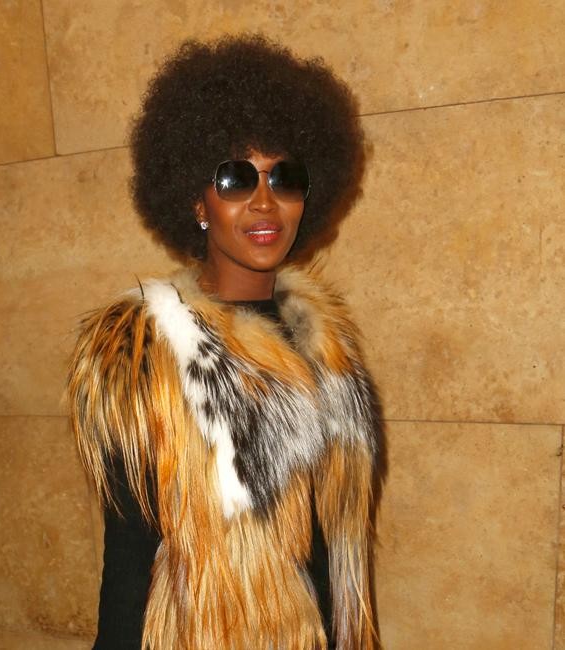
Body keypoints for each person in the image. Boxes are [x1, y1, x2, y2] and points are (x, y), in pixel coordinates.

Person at [68, 34, 379, 650]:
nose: (265, 202)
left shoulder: (330, 348)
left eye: (285, 177)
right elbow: (128, 558)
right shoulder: (147, 353)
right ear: (198, 201)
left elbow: (333, 550)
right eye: (236, 178)